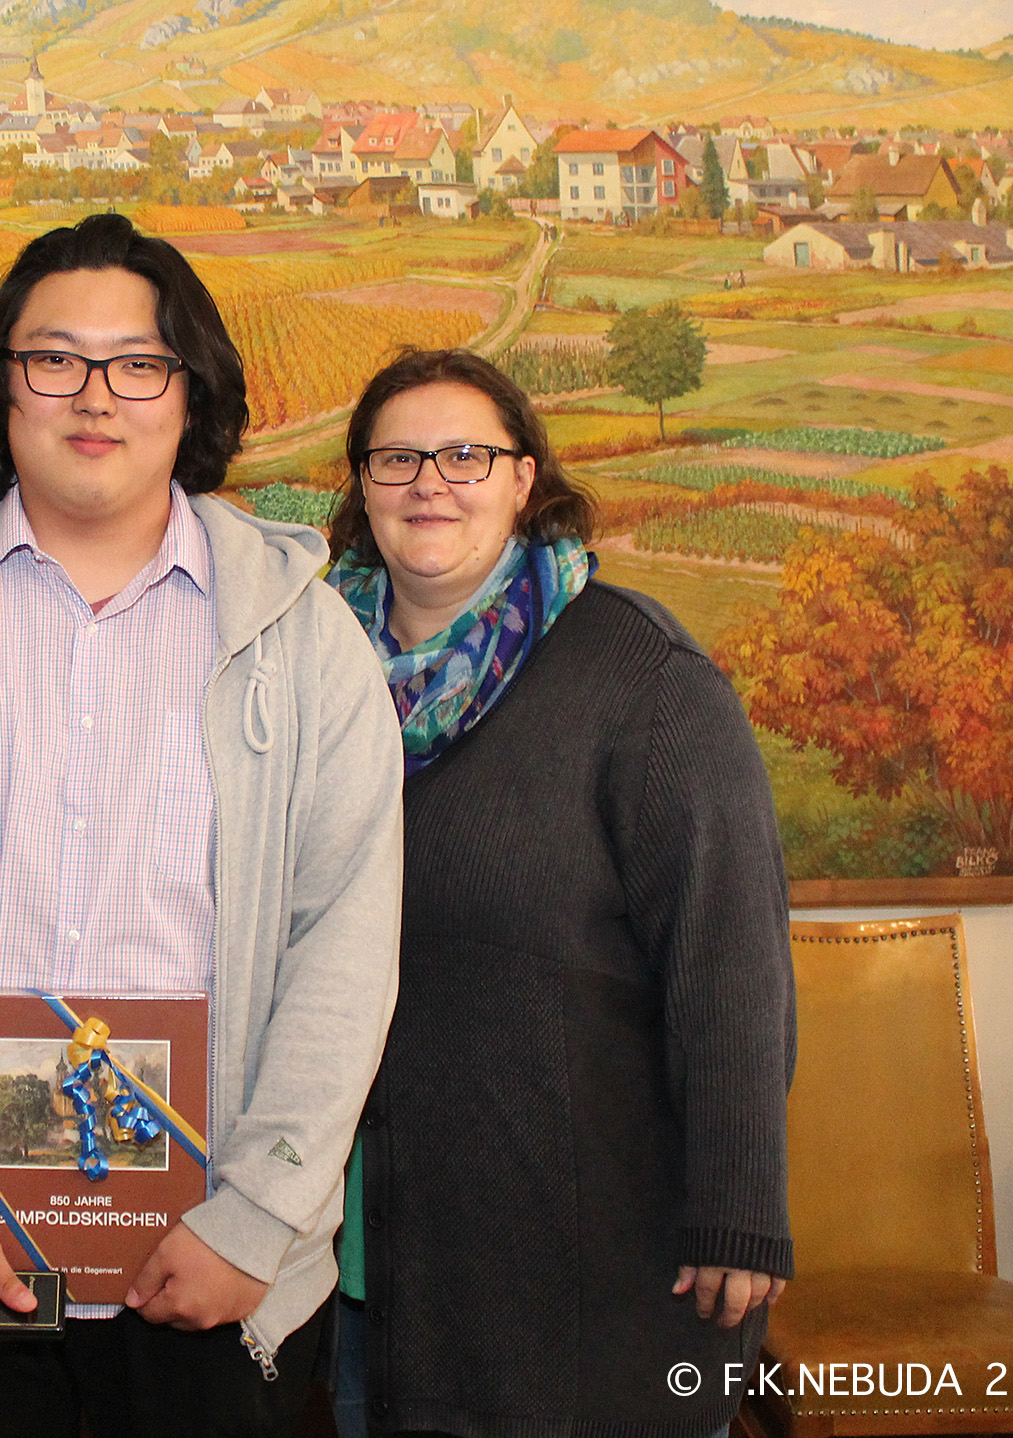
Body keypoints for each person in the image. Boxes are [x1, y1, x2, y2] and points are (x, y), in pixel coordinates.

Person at [0, 213, 403, 1438]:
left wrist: (255, 1215)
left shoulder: (302, 636)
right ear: (0, 386)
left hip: (211, 1261)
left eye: (138, 363)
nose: (94, 395)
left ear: (190, 392)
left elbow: (344, 943)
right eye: (53, 358)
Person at [320, 348, 794, 1438]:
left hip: (587, 1264)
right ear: (361, 485)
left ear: (525, 478)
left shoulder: (644, 678)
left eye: (466, 456)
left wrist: (738, 1208)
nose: (429, 483)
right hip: (370, 1269)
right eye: (397, 458)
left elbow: (730, 959)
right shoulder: (312, 675)